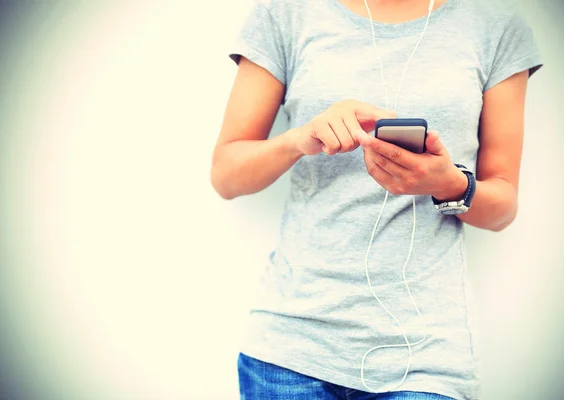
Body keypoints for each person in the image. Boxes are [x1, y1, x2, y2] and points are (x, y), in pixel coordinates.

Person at [211, 0, 542, 398]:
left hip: (426, 355)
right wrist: (299, 139)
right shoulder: (285, 12)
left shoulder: (495, 24)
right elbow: (226, 175)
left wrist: (449, 183)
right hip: (292, 348)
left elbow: (502, 207)